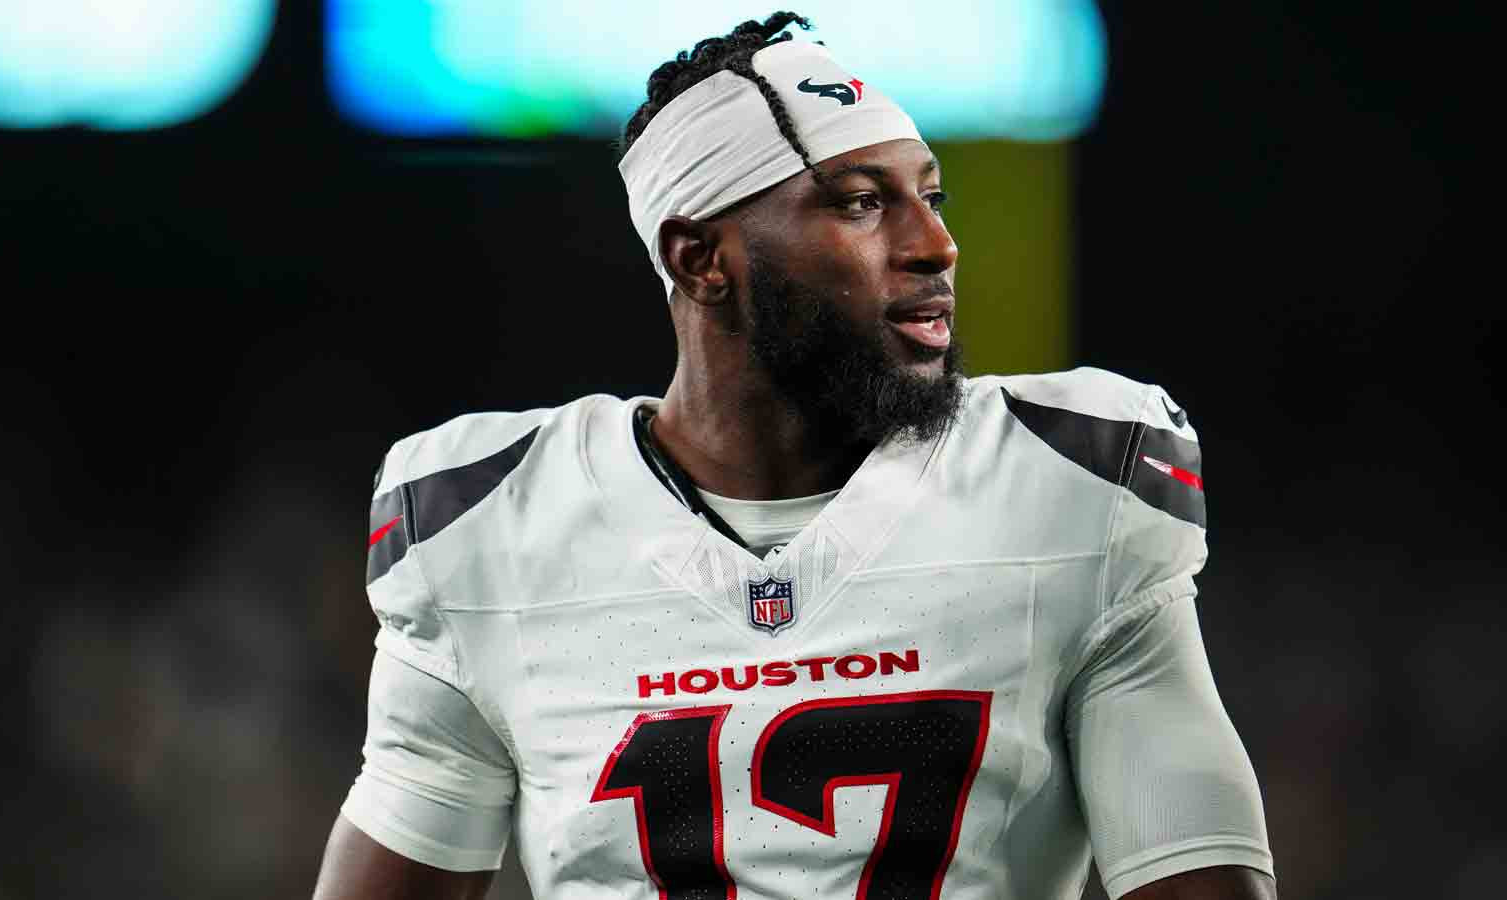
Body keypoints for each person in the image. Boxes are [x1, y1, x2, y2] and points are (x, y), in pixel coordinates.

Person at [311, 12, 1275, 900]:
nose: (935, 243)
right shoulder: (485, 521)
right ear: (700, 259)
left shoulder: (1071, 482)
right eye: (860, 204)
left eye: (931, 197)